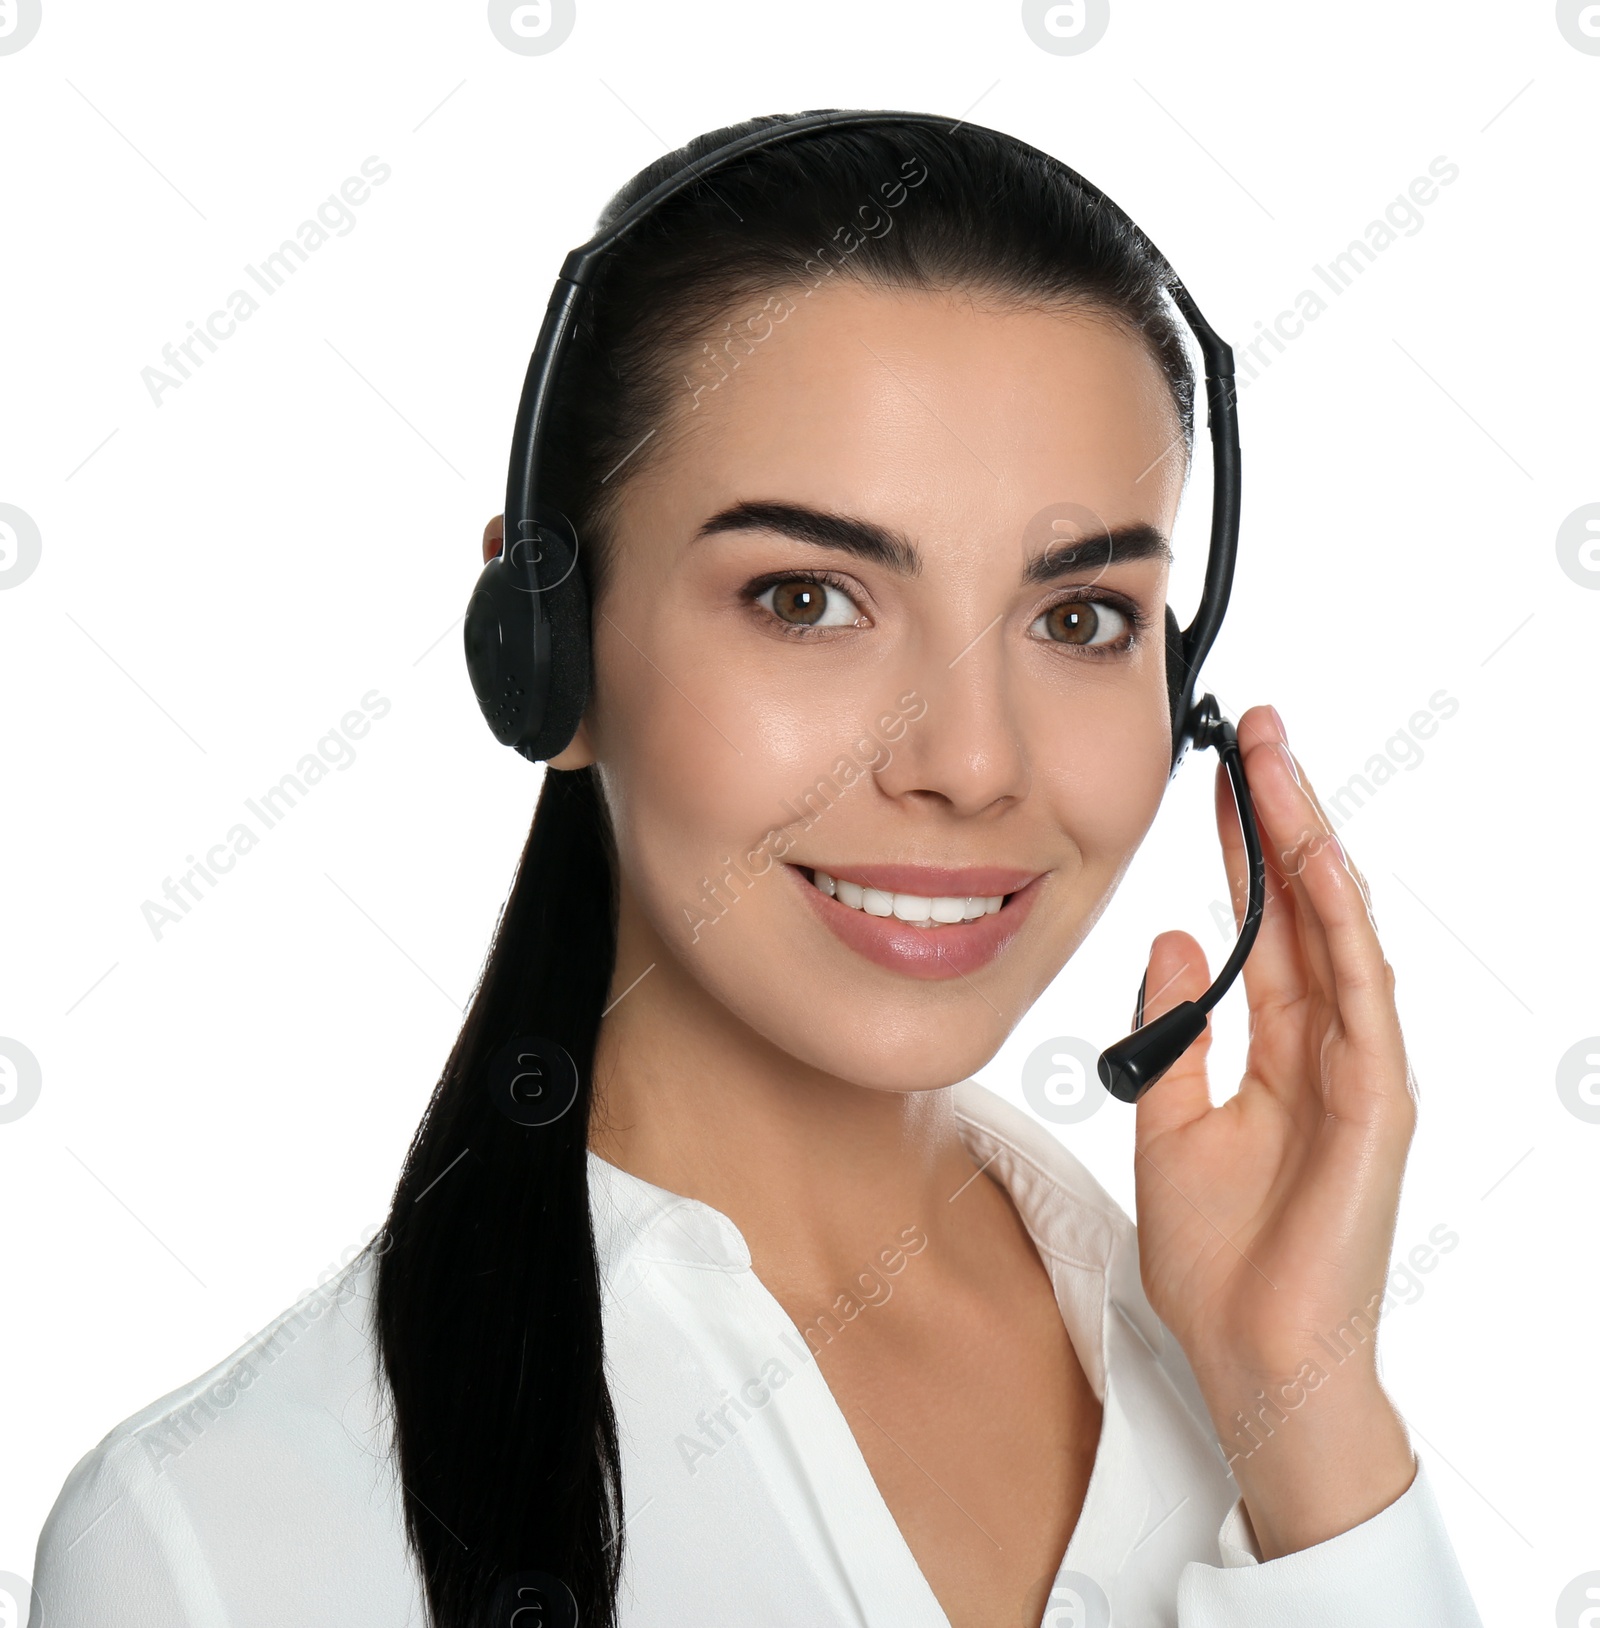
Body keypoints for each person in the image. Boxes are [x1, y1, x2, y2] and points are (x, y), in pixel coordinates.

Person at [31, 113, 1483, 1628]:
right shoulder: (216, 1541)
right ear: (549, 650)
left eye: (1077, 620)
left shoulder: (1232, 1369)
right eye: (808, 598)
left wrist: (1305, 1421)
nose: (972, 760)